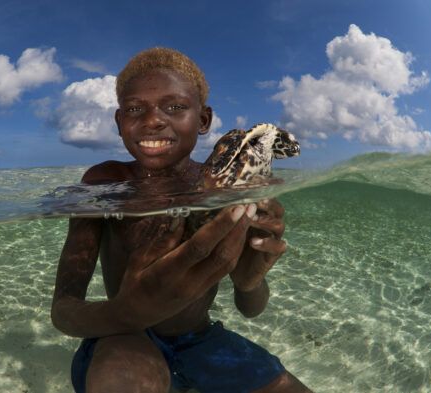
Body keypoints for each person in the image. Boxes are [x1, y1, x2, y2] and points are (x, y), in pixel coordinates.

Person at [51, 47, 312, 393]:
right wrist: (126, 313)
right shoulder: (103, 182)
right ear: (119, 122)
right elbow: (65, 309)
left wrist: (250, 283)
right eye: (134, 109)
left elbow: (251, 309)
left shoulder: (222, 189)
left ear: (203, 120)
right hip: (124, 336)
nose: (153, 120)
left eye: (174, 107)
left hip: (202, 339)